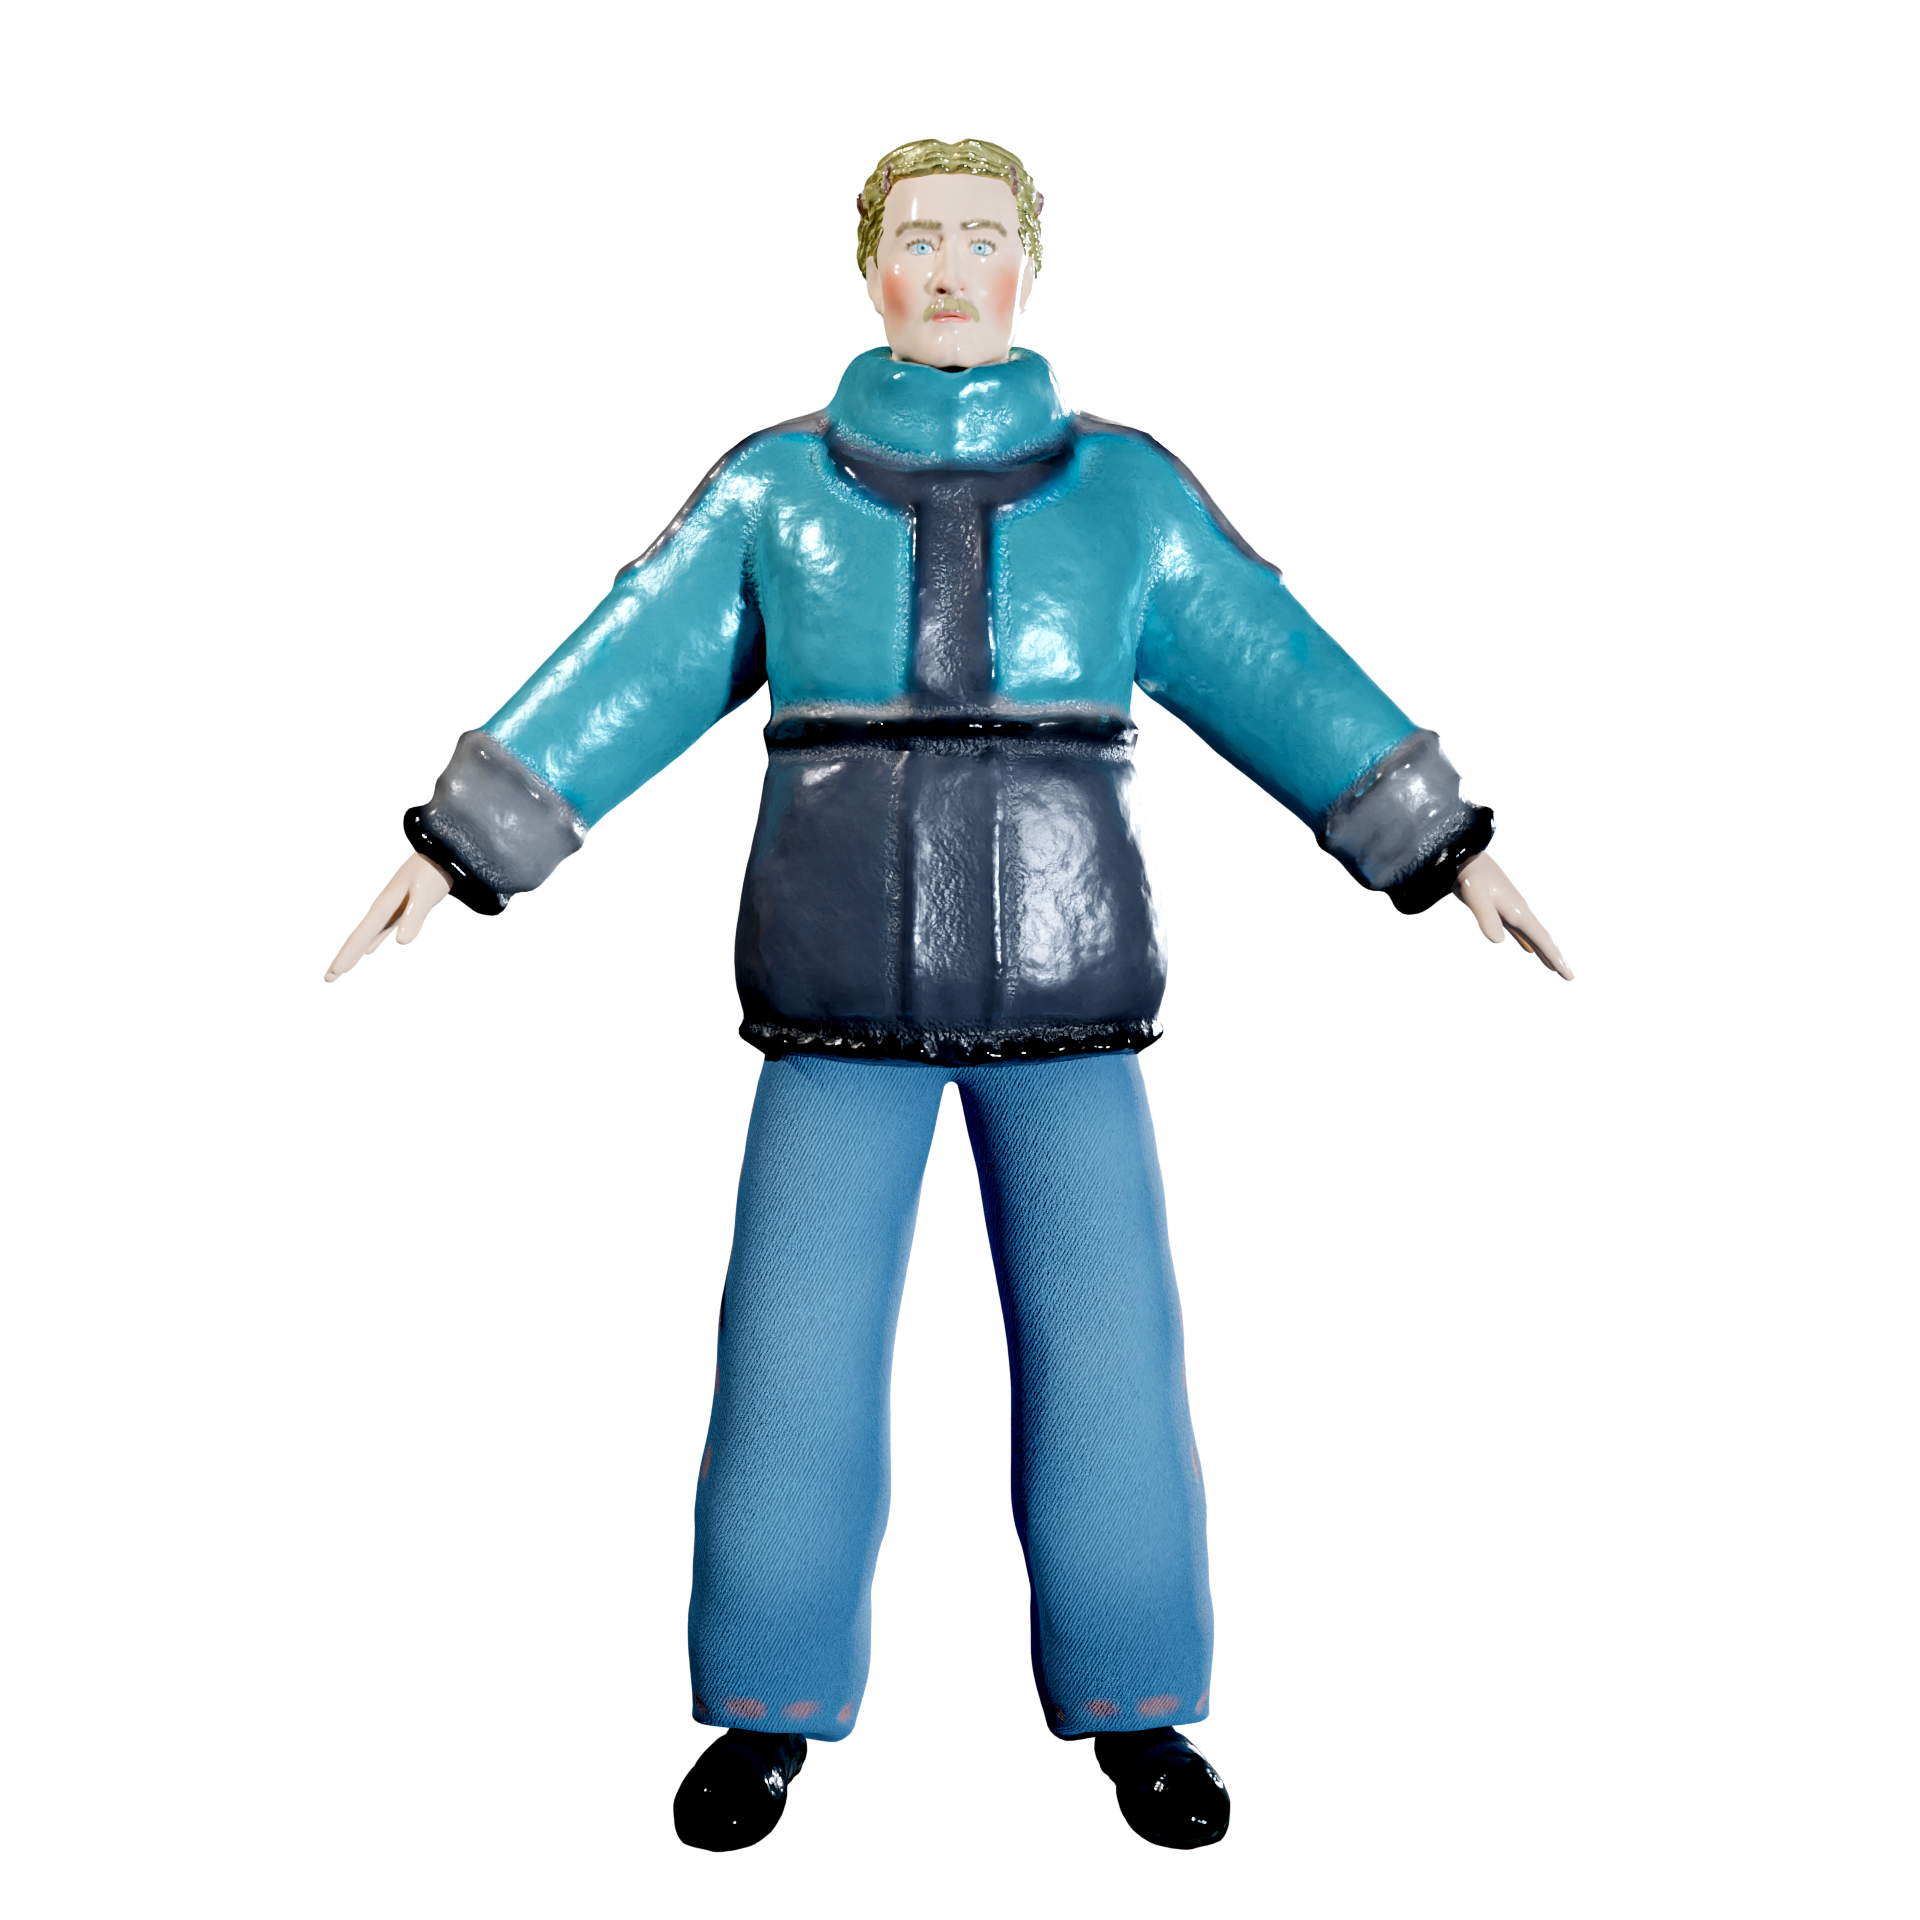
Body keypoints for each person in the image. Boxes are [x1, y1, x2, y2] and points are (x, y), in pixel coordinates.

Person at [319, 137, 1572, 1853]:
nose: (954, 267)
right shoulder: (772, 490)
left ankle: (1146, 1722)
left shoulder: (1129, 495)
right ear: (871, 275)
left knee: (1112, 1354)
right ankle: (748, 1720)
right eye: (920, 238)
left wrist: (1445, 845)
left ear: (1031, 278)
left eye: (987, 238)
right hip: (833, 988)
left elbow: (1277, 665)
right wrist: (458, 855)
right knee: (790, 1358)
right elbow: (639, 656)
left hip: (1073, 982)